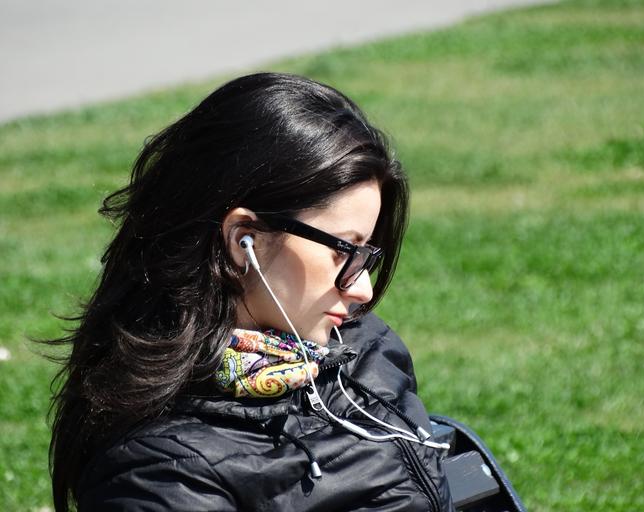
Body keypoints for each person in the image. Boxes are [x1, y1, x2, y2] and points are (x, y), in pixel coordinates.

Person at [48, 72, 453, 511]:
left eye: (366, 254)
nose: (363, 290)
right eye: (342, 250)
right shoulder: (158, 471)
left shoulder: (363, 349)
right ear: (245, 240)